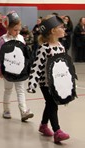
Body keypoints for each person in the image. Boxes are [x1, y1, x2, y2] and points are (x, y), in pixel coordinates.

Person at [27, 15, 70, 143]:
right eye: (61, 27)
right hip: (45, 83)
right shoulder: (44, 48)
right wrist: (32, 83)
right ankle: (57, 131)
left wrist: (68, 82)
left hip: (57, 82)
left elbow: (64, 66)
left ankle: (43, 125)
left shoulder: (61, 46)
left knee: (50, 104)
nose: (64, 29)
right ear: (52, 31)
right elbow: (37, 66)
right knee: (52, 104)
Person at [0, 11, 34, 122]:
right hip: (7, 70)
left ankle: (23, 111)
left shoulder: (21, 38)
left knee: (20, 90)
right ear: (8, 28)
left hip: (20, 69)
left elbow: (24, 54)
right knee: (8, 90)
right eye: (15, 30)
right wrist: (0, 69)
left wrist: (27, 66)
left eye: (19, 29)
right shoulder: (3, 39)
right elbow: (0, 55)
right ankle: (6, 110)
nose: (17, 32)